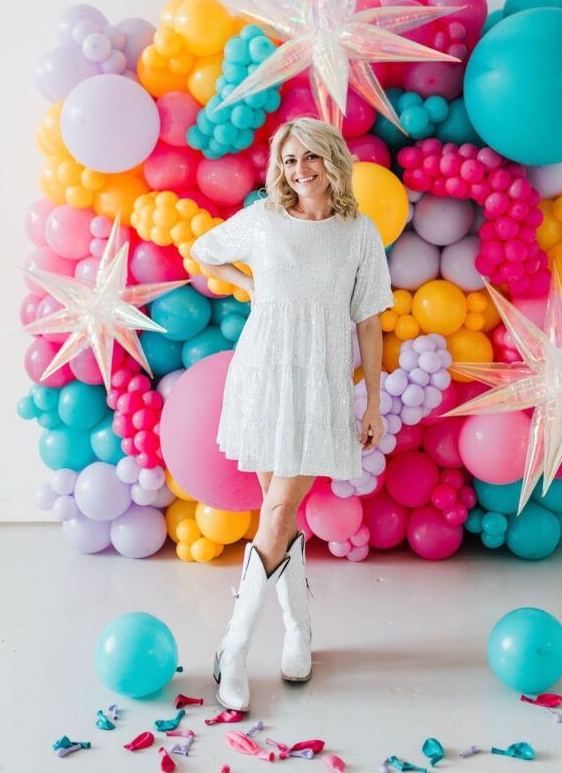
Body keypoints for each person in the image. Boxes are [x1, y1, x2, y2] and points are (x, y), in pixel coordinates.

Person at [190, 116, 394, 712]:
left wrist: (375, 399)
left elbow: (370, 319)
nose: (299, 170)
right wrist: (250, 287)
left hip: (321, 382)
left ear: (332, 161)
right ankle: (300, 634)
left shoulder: (359, 232)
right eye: (287, 160)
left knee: (277, 511)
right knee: (277, 517)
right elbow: (204, 252)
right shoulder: (263, 220)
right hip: (262, 375)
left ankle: (233, 647)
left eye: (310, 158)